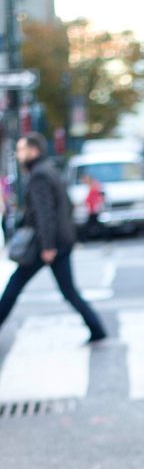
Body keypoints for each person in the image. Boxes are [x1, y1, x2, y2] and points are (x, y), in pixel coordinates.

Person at [0, 134, 107, 344]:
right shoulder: (50, 170)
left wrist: (48, 246)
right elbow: (65, 206)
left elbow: (45, 213)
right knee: (68, 290)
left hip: (46, 245)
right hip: (59, 242)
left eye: (22, 150)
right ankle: (96, 328)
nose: (19, 155)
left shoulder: (39, 175)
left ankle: (96, 327)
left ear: (34, 151)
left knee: (14, 286)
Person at [81, 173, 106, 241]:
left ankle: (82, 240)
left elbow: (100, 197)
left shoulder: (95, 186)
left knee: (89, 225)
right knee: (96, 225)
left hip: (94, 209)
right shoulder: (91, 186)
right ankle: (107, 238)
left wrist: (97, 206)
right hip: (92, 209)